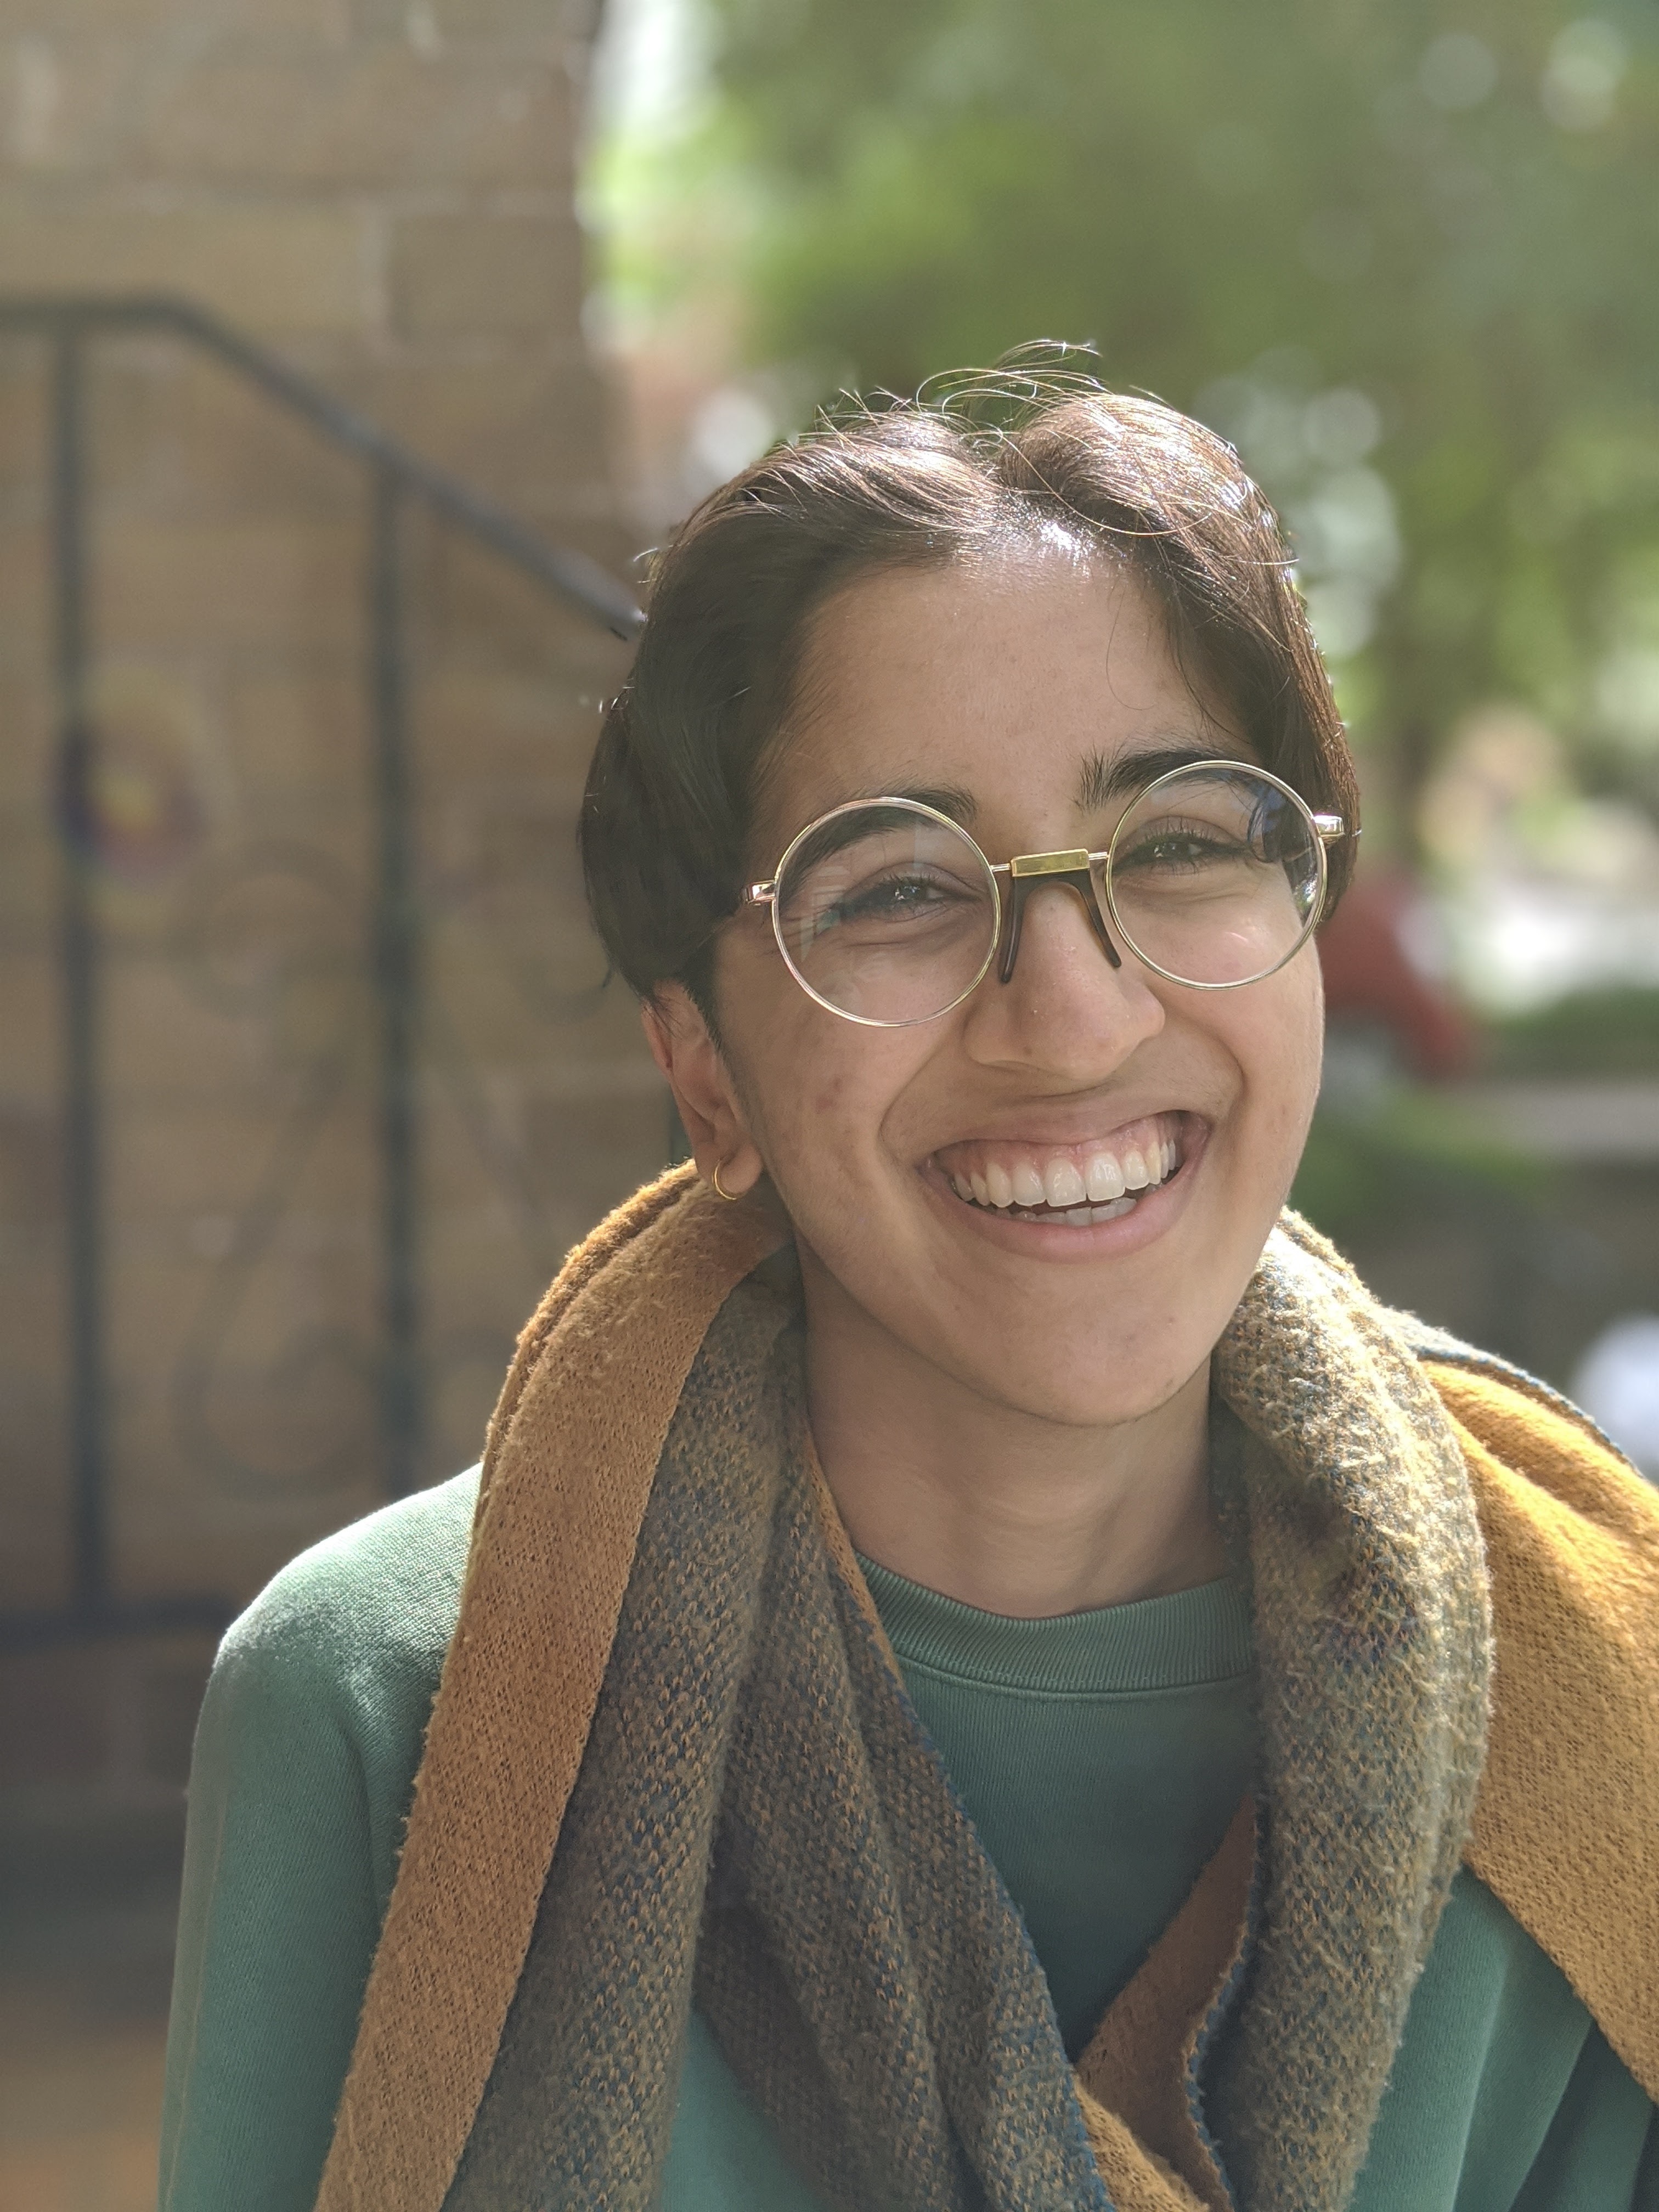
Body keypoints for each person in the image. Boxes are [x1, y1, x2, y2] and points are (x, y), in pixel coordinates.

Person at [158, 364, 1658, 2212]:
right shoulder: (388, 1707)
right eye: (894, 891)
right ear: (706, 1078)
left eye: (1182, 844)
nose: (1076, 1018)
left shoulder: (1602, 1670)